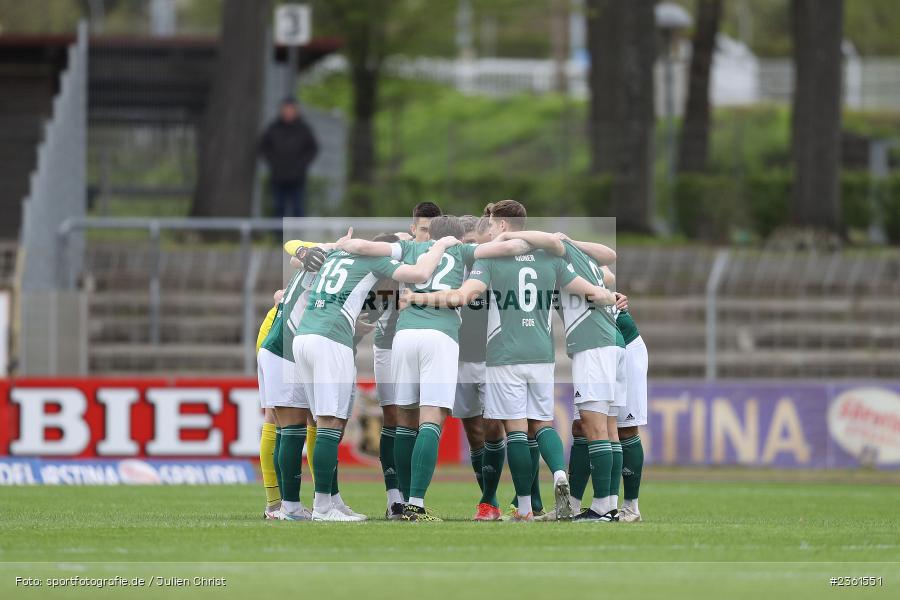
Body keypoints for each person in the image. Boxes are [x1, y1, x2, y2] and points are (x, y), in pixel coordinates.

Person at [401, 200, 615, 521]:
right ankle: (554, 476)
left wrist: (417, 298)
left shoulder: (489, 261)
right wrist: (610, 296)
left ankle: (526, 507)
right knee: (533, 425)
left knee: (512, 429)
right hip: (535, 353)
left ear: (499, 226)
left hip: (501, 354)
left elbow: (462, 295)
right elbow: (601, 277)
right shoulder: (547, 257)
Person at [293, 234, 459, 521]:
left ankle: (331, 501)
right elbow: (420, 272)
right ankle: (322, 507)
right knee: (330, 423)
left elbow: (297, 255)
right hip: (330, 337)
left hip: (304, 335)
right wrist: (441, 246)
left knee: (324, 422)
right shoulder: (375, 259)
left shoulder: (335, 255)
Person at [493, 229, 622, 522]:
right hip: (612, 342)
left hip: (593, 344)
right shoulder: (583, 259)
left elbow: (556, 245)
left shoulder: (559, 258)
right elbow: (610, 263)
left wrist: (512, 235)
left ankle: (604, 507)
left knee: (595, 426)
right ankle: (604, 503)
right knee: (605, 427)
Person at [260, 97, 319, 220]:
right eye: (286, 110)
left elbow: (313, 149)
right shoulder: (273, 128)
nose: (288, 113)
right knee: (278, 207)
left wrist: (301, 164)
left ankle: (298, 236)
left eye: (291, 110)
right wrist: (274, 163)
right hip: (278, 176)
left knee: (298, 208)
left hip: (297, 177)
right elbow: (263, 148)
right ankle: (278, 237)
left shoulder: (303, 129)